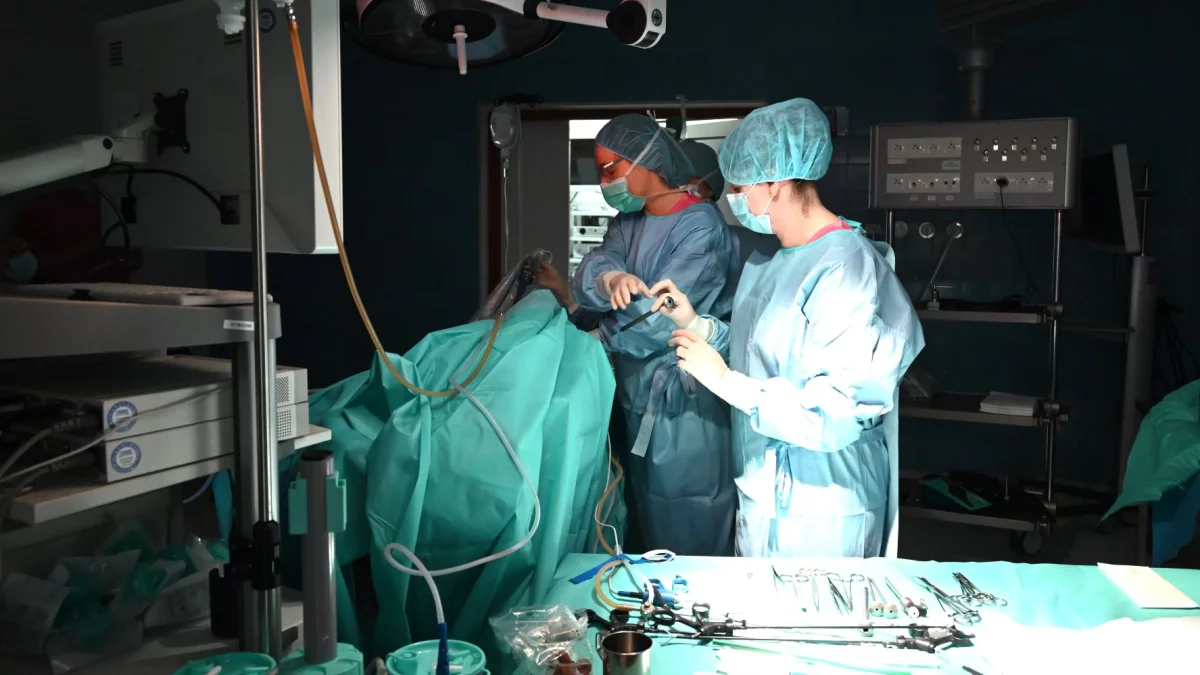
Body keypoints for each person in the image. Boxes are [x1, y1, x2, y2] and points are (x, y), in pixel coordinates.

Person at [650, 98, 925, 558]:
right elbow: (762, 352)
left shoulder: (844, 268)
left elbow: (835, 413)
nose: (732, 198)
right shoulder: (775, 262)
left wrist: (725, 382)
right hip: (766, 491)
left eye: (739, 186)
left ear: (773, 183)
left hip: (825, 503)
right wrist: (698, 325)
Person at [571, 114, 738, 556]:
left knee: (689, 511)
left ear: (647, 160)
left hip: (684, 404)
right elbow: (590, 272)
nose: (604, 181)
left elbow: (656, 321)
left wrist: (600, 338)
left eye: (610, 169)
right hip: (636, 393)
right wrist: (608, 277)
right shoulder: (627, 222)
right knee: (645, 515)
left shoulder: (701, 228)